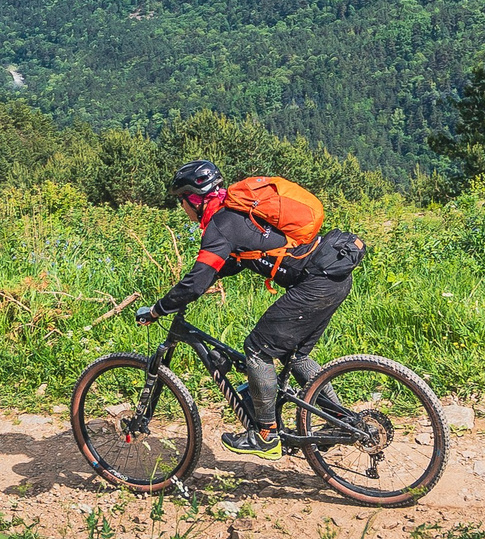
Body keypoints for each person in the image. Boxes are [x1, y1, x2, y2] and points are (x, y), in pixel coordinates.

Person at [138, 159, 353, 459]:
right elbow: (238, 260)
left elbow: (196, 282)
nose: (182, 208)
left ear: (194, 199)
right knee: (295, 356)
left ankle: (266, 436)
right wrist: (207, 277)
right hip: (333, 275)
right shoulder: (237, 212)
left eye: (182, 201)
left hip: (314, 283)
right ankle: (341, 420)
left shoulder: (220, 225)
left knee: (257, 349)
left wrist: (158, 309)